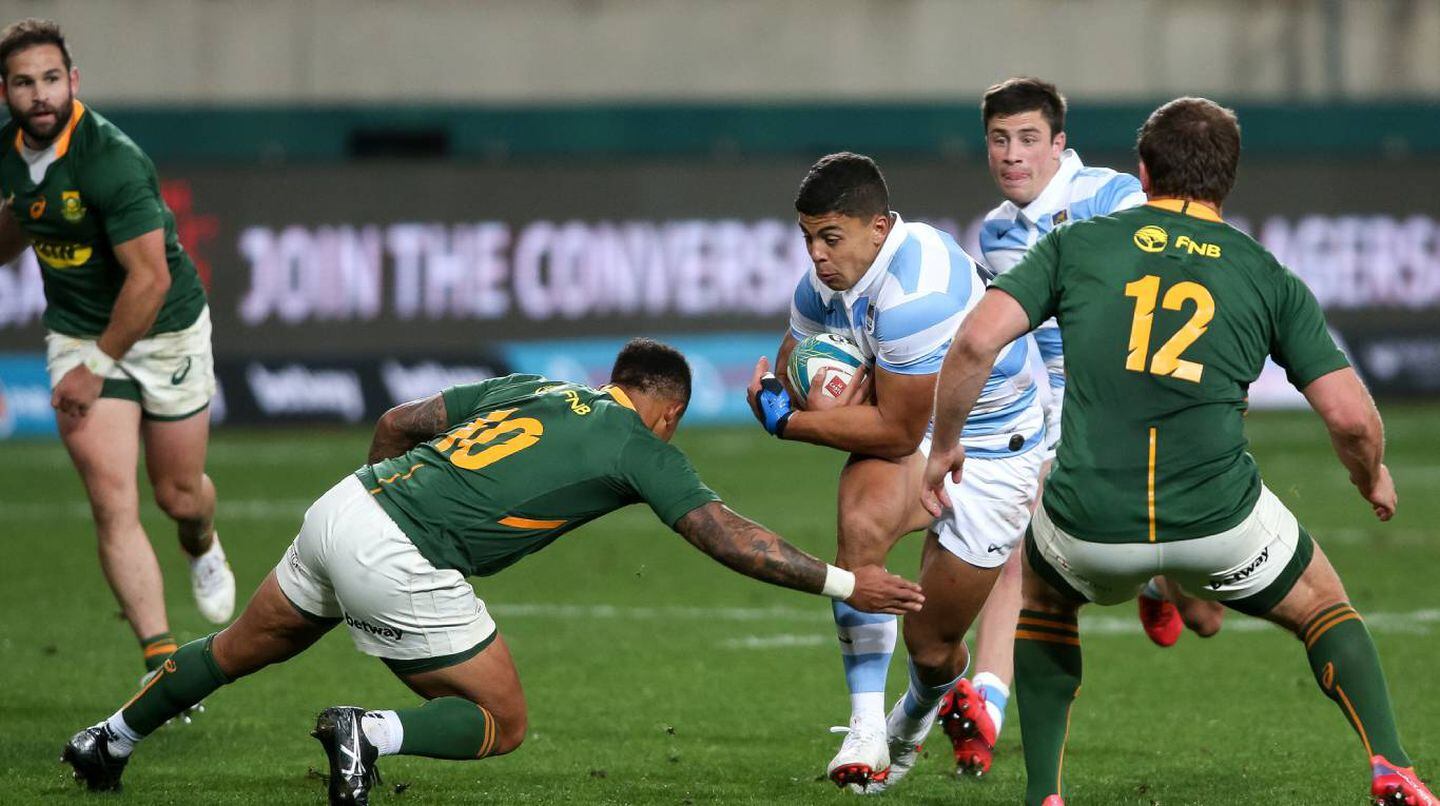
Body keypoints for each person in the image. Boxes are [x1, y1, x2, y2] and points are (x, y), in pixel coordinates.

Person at [62, 338, 925, 805]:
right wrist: (850, 585)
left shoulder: (538, 386)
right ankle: (370, 734)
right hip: (397, 551)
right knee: (498, 721)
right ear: (667, 412)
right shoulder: (638, 443)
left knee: (241, 646)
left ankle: (109, 737)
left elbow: (402, 419)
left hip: (344, 506)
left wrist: (370, 505)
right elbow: (727, 537)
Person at [922, 97, 1435, 806]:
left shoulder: (1076, 246)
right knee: (1324, 606)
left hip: (1089, 524)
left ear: (1142, 171)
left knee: (1040, 598)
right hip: (1218, 523)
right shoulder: (1263, 272)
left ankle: (1046, 792)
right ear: (1228, 179)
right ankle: (1393, 766)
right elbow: (1351, 417)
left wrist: (944, 446)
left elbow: (976, 342)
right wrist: (1371, 475)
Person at [940, 76, 1224, 779]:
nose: (1013, 154)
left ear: (1058, 145)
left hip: (1133, 400)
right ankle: (989, 705)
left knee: (1206, 616)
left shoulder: (1110, 199)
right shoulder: (997, 233)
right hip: (1053, 413)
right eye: (1000, 141)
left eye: (1028, 139)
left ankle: (1161, 584)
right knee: (1019, 534)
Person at [746, 152, 1045, 790]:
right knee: (860, 529)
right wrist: (801, 388)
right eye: (807, 238)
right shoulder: (823, 282)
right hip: (926, 434)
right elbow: (795, 354)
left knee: (932, 645)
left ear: (878, 229)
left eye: (831, 238)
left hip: (992, 450)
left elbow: (896, 429)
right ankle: (862, 729)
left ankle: (905, 726)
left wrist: (788, 421)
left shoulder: (919, 296)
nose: (817, 255)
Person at [0, 18, 232, 676]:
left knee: (179, 495)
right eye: (24, 83)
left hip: (163, 330)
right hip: (77, 329)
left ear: (73, 81)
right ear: (5, 93)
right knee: (110, 497)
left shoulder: (110, 160)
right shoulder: (9, 154)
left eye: (51, 79)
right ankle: (163, 664)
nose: (39, 94)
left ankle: (203, 541)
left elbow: (151, 280)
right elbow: (23, 212)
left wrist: (97, 368)